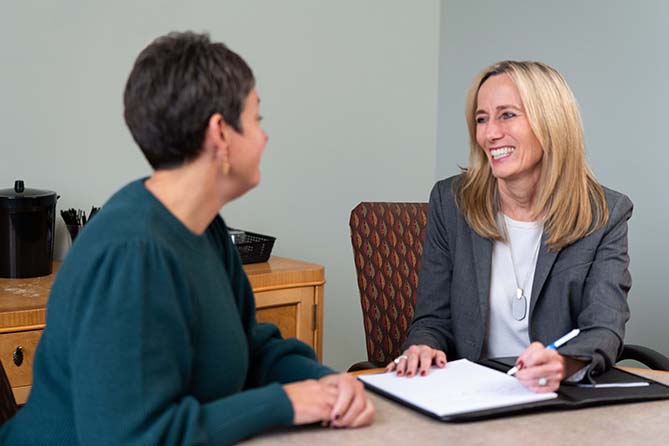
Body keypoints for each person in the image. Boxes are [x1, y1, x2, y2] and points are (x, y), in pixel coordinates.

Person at [0, 31, 374, 445]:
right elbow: (135, 437)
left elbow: (252, 346)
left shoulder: (205, 226)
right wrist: (285, 403)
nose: (265, 136)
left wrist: (326, 385)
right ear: (220, 133)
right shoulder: (131, 255)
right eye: (257, 119)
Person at [386, 60, 632, 393]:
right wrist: (424, 345)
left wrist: (564, 363)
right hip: (469, 395)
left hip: (550, 398)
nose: (490, 133)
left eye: (507, 115)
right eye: (481, 119)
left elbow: (604, 327)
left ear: (551, 122)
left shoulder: (605, 214)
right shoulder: (451, 202)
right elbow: (433, 318)